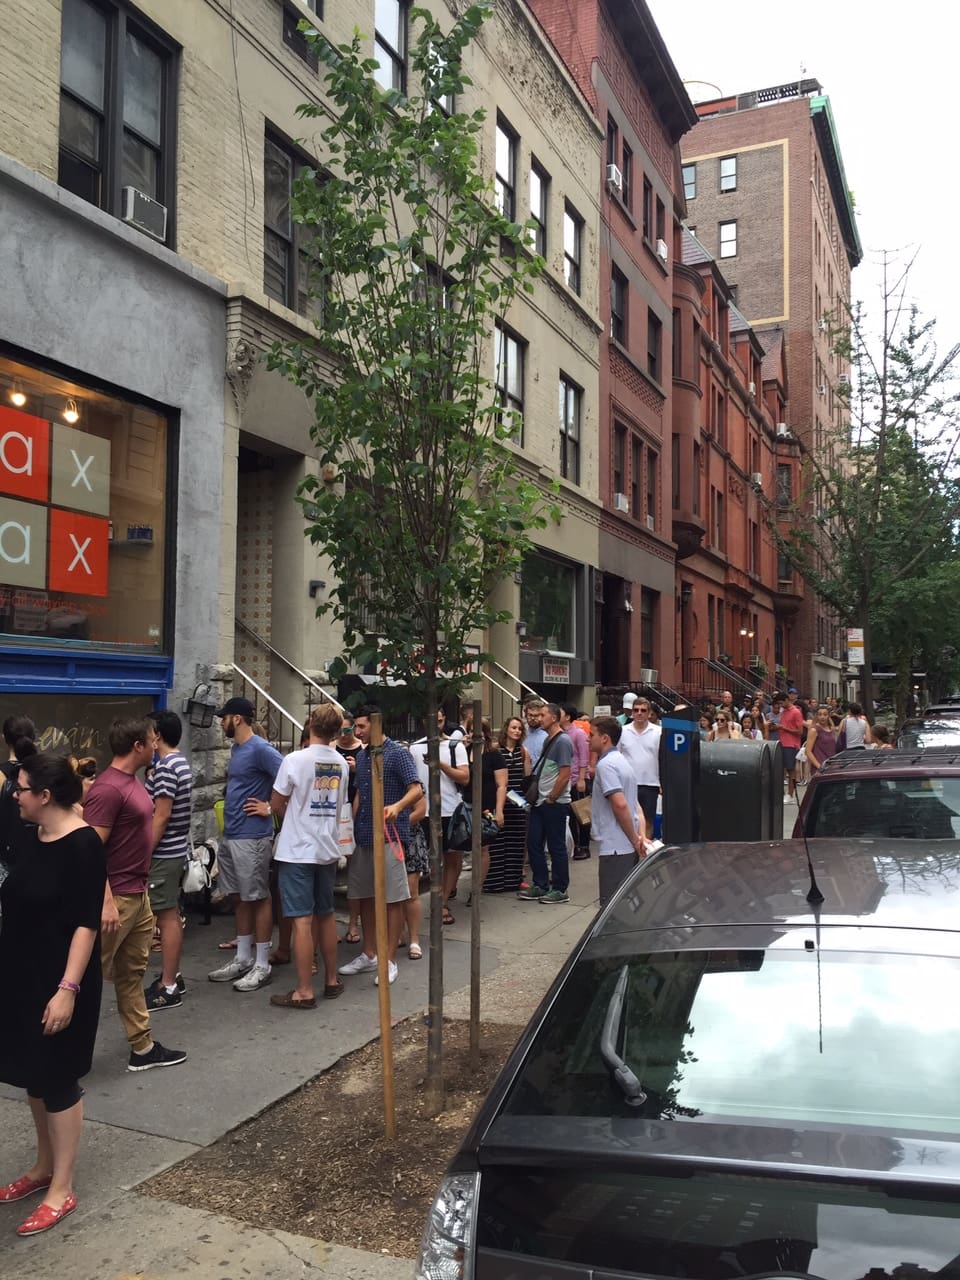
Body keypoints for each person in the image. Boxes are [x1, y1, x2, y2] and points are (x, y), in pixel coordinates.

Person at [0, 754, 105, 1236]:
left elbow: (86, 923)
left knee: (59, 1076)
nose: (14, 794)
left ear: (44, 796)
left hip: (63, 977)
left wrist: (67, 990)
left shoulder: (83, 845)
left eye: (20, 788)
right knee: (33, 1075)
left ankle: (62, 1186)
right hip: (21, 973)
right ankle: (42, 1167)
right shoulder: (28, 836)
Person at [84, 717, 186, 1072]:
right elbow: (89, 851)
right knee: (83, 976)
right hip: (118, 900)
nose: (156, 744)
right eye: (152, 740)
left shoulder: (129, 783)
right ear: (138, 746)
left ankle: (142, 1049)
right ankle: (58, 1057)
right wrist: (106, 899)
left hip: (137, 895)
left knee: (131, 973)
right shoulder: (109, 789)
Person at [268, 703, 349, 1008]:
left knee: (302, 921)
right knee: (326, 915)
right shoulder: (341, 763)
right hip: (326, 846)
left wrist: (292, 810)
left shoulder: (294, 759)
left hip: (297, 849)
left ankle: (304, 989)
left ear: (312, 723)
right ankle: (331, 979)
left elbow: (276, 803)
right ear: (337, 731)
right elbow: (339, 803)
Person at [338, 706, 422, 986]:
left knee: (393, 898)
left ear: (375, 725)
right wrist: (349, 825)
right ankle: (370, 953)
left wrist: (398, 806)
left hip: (389, 835)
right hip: (363, 835)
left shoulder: (397, 753)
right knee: (364, 896)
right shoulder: (362, 756)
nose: (356, 732)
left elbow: (416, 789)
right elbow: (362, 792)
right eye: (355, 727)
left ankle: (389, 960)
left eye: (361, 727)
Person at [207, 697, 283, 992]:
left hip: (253, 835)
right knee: (239, 896)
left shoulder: (261, 749)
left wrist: (269, 807)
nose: (220, 722)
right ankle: (243, 957)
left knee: (258, 896)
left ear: (237, 718)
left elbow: (288, 776)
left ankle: (262, 963)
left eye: (223, 717)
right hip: (234, 833)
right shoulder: (237, 748)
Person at [143, 710, 193, 1012]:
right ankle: (172, 976)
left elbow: (161, 816)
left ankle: (169, 985)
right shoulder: (180, 762)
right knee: (170, 914)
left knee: (167, 917)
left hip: (165, 854)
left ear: (157, 735)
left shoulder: (165, 767)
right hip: (175, 851)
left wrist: (144, 852)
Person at [407, 710, 469, 928]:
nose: (437, 723)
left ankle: (442, 903)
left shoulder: (455, 746)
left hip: (450, 810)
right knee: (433, 861)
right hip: (424, 812)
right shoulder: (414, 748)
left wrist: (439, 764)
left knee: (452, 858)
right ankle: (437, 897)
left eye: (441, 720)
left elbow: (464, 777)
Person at [588, 717, 647, 906]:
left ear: (604, 738)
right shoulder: (621, 761)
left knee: (611, 906)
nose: (588, 739)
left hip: (615, 846)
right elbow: (635, 805)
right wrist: (640, 837)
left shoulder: (606, 766)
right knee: (625, 903)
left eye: (591, 735)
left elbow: (620, 804)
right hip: (625, 845)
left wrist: (634, 839)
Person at [519, 702, 573, 904]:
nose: (539, 718)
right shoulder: (548, 740)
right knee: (534, 843)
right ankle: (540, 884)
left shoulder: (563, 741)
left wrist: (552, 797)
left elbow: (565, 774)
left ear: (553, 717)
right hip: (541, 802)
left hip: (554, 803)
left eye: (542, 715)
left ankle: (560, 888)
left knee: (556, 845)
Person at [486, 715, 530, 893]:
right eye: (513, 727)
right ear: (506, 729)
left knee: (515, 843)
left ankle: (513, 880)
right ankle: (494, 882)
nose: (517, 731)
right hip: (500, 799)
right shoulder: (496, 750)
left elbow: (527, 776)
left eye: (519, 728)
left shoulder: (523, 752)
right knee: (497, 842)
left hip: (517, 801)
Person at [466, 717, 508, 893]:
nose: (474, 735)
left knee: (483, 847)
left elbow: (502, 785)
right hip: (465, 806)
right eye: (470, 730)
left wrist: (499, 811)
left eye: (478, 731)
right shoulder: (462, 751)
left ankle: (476, 888)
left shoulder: (494, 755)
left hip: (486, 806)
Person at [334, 715, 365, 945]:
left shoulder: (362, 750)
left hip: (354, 813)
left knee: (355, 875)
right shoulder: (329, 749)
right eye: (340, 731)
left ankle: (354, 923)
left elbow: (366, 785)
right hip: (333, 814)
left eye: (348, 730)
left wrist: (356, 769)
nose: (344, 735)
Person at [617, 697, 662, 838]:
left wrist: (662, 783)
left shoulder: (658, 732)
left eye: (643, 710)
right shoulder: (622, 731)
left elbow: (662, 758)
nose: (639, 713)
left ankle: (645, 854)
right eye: (636, 710)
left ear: (649, 713)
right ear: (632, 713)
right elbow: (616, 757)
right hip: (628, 784)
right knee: (628, 820)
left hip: (651, 783)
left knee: (648, 821)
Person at [1, 713, 38, 871]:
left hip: (5, 862)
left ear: (3, 738)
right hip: (38, 858)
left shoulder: (1, 775)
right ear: (34, 738)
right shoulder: (44, 772)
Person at [559, 704, 591, 860]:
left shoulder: (578, 733)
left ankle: (584, 846)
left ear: (567, 716)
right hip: (565, 781)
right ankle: (575, 845)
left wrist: (581, 778)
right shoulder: (560, 734)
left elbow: (584, 757)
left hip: (578, 778)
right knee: (570, 815)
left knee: (582, 814)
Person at [778, 689, 807, 798]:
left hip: (791, 744)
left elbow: (800, 731)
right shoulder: (784, 712)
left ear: (786, 700)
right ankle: (784, 793)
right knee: (783, 769)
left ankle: (790, 794)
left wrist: (784, 728)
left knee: (791, 769)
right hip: (782, 742)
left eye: (781, 703)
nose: (780, 705)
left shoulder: (796, 712)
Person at [805, 705, 839, 772]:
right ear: (816, 716)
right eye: (820, 715)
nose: (822, 717)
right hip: (820, 767)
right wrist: (819, 766)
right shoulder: (814, 730)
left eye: (825, 714)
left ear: (828, 716)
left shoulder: (831, 729)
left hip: (831, 766)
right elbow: (808, 751)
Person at [523, 699, 547, 767]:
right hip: (524, 773)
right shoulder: (521, 731)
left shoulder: (548, 733)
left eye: (536, 715)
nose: (533, 718)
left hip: (542, 774)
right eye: (530, 715)